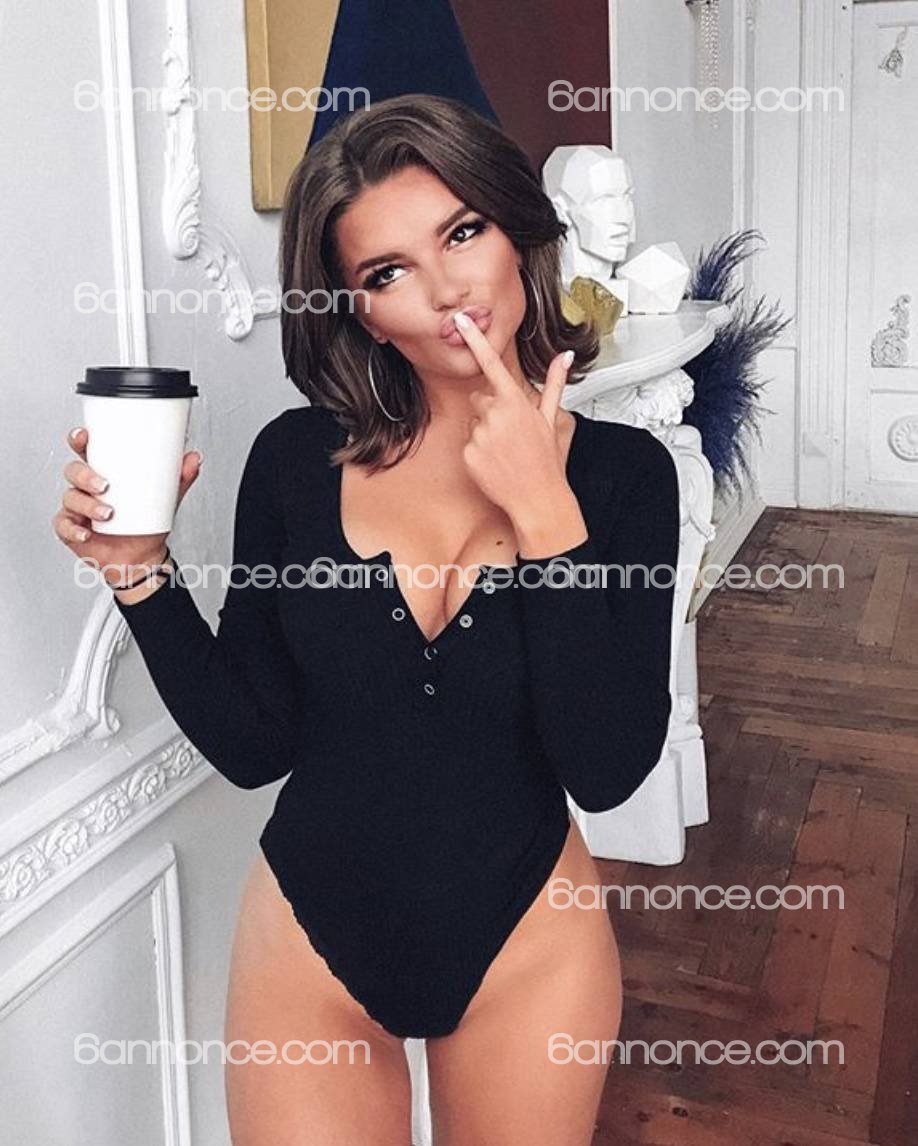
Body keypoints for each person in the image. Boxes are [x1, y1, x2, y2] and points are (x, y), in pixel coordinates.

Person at [53, 93, 680, 1146]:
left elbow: (607, 767)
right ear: (359, 311)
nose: (444, 291)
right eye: (388, 272)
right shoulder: (294, 462)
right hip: (309, 942)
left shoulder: (626, 477)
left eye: (461, 232)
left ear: (517, 231)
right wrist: (138, 577)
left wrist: (546, 514)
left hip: (529, 945)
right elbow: (257, 746)